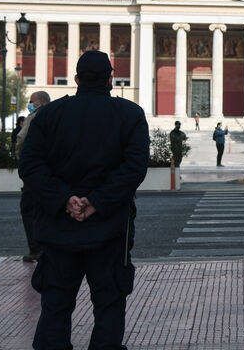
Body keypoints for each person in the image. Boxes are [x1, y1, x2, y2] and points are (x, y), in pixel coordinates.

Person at [18, 50, 149, 350]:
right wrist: (95, 201)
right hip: (109, 228)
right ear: (110, 79)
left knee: (56, 306)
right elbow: (133, 169)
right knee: (109, 307)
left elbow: (30, 166)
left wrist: (65, 200)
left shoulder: (48, 115)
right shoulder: (129, 115)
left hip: (58, 227)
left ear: (76, 79)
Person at [15, 90, 51, 262]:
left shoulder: (35, 116)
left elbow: (21, 139)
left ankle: (36, 249)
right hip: (53, 171)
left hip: (35, 170)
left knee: (29, 209)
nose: (29, 104)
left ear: (40, 102)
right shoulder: (58, 114)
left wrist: (22, 160)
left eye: (31, 101)